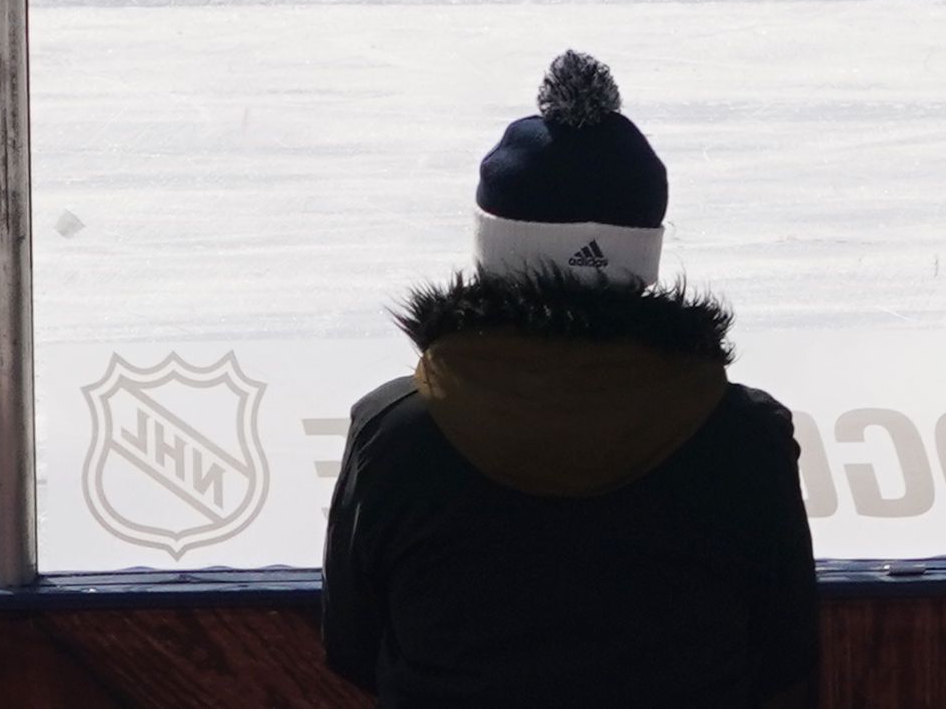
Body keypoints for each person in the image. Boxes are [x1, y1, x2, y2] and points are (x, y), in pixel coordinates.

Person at [322, 52, 815, 709]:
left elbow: (353, 643)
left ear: (492, 247)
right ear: (644, 252)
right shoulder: (746, 435)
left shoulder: (394, 431)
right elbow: (784, 650)